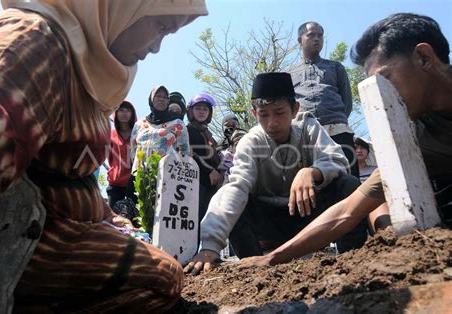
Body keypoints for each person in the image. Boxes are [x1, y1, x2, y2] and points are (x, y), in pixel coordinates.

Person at [0, 0, 207, 312]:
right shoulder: (36, 43)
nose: (156, 47)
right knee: (160, 278)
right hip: (14, 243)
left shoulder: (80, 63)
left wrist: (111, 219)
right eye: (161, 26)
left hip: (48, 230)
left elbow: (64, 176)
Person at [235, 13, 452, 268]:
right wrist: (273, 258)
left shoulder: (334, 73)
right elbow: (350, 210)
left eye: (386, 78)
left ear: (424, 58)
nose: (379, 96)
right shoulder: (413, 140)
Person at [184, 72, 367, 274]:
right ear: (254, 114)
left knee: (348, 184)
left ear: (295, 109)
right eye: (264, 114)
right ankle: (254, 271)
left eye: (279, 112)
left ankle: (354, 260)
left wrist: (312, 172)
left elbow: (338, 159)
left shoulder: (308, 126)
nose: (272, 123)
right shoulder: (250, 142)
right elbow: (236, 187)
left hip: (308, 213)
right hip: (268, 221)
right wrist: (210, 246)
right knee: (236, 199)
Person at [291, 21, 359, 178]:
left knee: (349, 180)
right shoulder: (289, 74)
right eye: (311, 35)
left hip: (338, 131)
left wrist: (336, 119)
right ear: (300, 40)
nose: (317, 39)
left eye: (320, 35)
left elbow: (347, 102)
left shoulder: (336, 67)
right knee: (312, 183)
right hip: (305, 135)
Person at [126, 85, 190, 209]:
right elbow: (133, 149)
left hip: (167, 176)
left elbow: (185, 151)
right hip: (139, 176)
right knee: (137, 215)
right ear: (151, 99)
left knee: (160, 214)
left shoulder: (177, 123)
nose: (161, 99)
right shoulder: (139, 124)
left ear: (168, 101)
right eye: (158, 96)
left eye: (165, 97)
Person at [186, 93, 221, 224]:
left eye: (205, 109)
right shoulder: (187, 130)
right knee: (195, 220)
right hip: (196, 181)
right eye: (198, 108)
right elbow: (190, 153)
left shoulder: (208, 133)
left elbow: (214, 157)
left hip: (211, 183)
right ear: (191, 111)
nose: (201, 111)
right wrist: (209, 170)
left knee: (208, 221)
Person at [107, 100, 137, 209]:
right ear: (116, 112)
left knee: (133, 221)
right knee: (113, 221)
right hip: (115, 186)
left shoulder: (138, 135)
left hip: (134, 186)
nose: (124, 113)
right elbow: (109, 158)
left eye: (128, 110)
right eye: (121, 110)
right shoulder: (110, 135)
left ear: (132, 114)